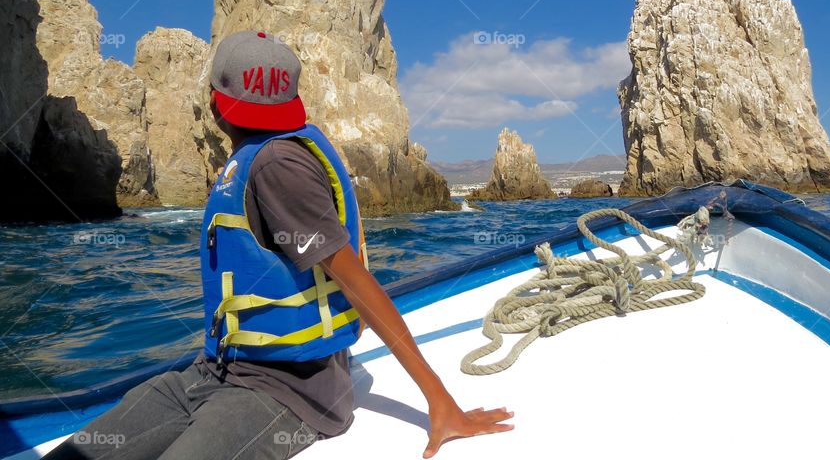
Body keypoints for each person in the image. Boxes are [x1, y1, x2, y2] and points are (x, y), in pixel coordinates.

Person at [47, 30, 513, 460]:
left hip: (288, 391)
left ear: (215, 104)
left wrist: (439, 399)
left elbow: (355, 281)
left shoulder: (277, 166)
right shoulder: (259, 157)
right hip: (214, 370)